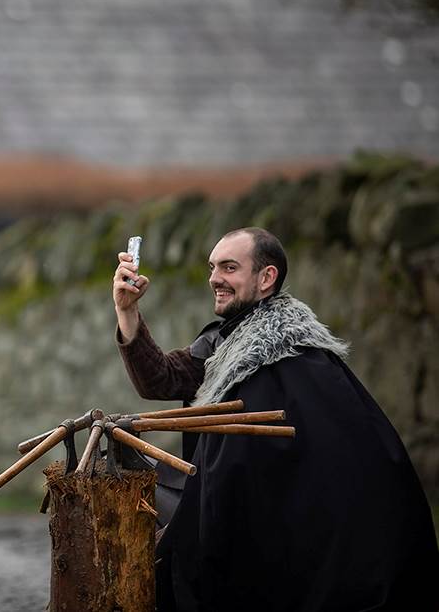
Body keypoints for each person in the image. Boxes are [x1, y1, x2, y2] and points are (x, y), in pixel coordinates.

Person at [112, 227, 438, 611]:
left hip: (290, 532)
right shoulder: (223, 342)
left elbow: (346, 463)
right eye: (213, 267)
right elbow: (162, 379)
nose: (215, 278)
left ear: (266, 278)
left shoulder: (304, 357)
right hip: (234, 513)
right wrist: (127, 310)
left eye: (230, 267)